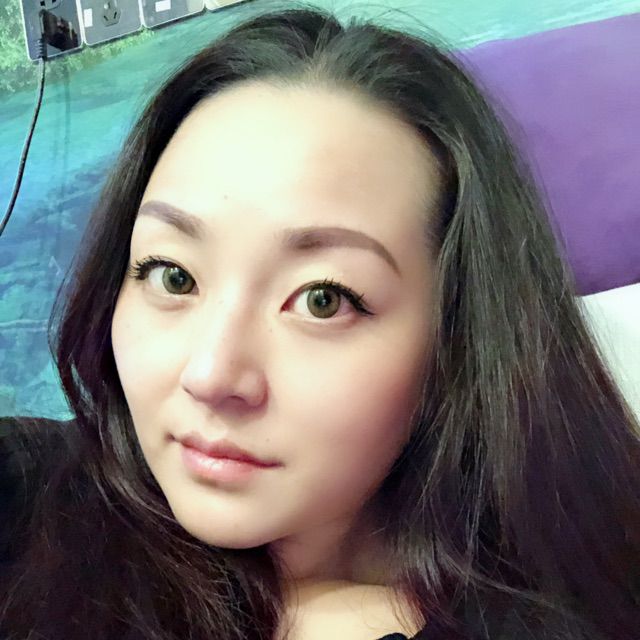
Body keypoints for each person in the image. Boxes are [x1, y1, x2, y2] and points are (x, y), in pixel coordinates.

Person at [1, 3, 639, 639]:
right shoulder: (31, 501)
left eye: (323, 299)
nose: (210, 375)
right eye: (173, 276)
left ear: (460, 338)